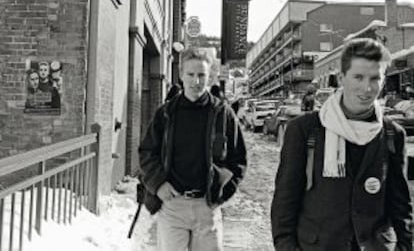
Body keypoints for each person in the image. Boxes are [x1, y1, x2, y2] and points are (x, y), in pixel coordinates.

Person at [271, 38, 413, 251]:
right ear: (341, 78)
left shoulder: (393, 134)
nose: (367, 88)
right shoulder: (305, 130)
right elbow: (284, 204)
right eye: (358, 77)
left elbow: (400, 207)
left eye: (375, 78)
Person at [138, 48, 247, 251]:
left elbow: (239, 159)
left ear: (210, 76)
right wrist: (158, 184)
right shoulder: (166, 114)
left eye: (201, 75)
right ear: (181, 75)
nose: (196, 81)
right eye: (190, 75)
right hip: (173, 206)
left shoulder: (223, 114)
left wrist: (222, 193)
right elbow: (147, 152)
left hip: (207, 207)